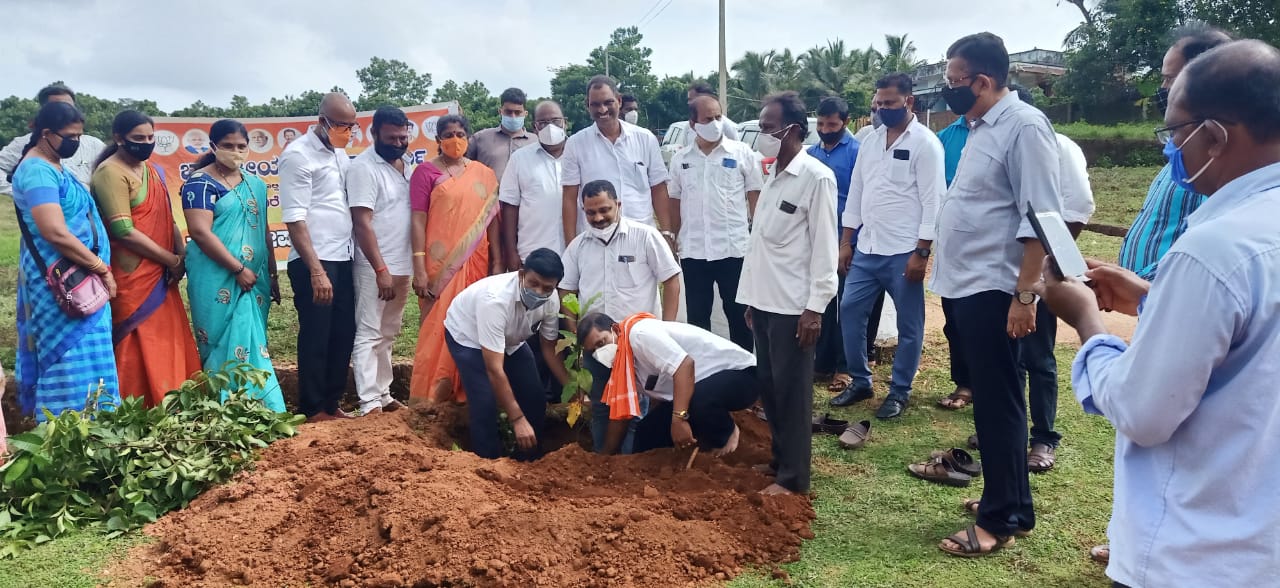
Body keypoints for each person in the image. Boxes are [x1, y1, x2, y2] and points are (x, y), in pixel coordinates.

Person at [1037, 40, 1280, 588]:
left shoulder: (1213, 250)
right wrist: (1151, 295)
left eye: (1172, 132)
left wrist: (1087, 321)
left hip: (1196, 552)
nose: (1170, 148)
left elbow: (1145, 413)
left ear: (1214, 138)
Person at [1088, 21, 1231, 567]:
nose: (1162, 93)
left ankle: (1146, 541)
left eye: (1171, 82)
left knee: (1161, 427)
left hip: (1180, 303)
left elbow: (1202, 254)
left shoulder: (1214, 169)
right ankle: (1130, 531)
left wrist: (1089, 326)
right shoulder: (1184, 152)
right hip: (1153, 297)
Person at [925, 32, 1061, 558]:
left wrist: (1025, 296)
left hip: (995, 287)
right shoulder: (982, 127)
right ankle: (1008, 500)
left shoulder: (1024, 127)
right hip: (966, 285)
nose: (949, 88)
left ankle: (1001, 517)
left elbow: (1039, 218)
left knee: (1001, 404)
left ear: (983, 81)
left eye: (955, 80)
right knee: (991, 403)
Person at [737, 91, 839, 496]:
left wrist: (814, 309)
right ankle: (780, 460)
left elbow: (825, 249)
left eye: (766, 128)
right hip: (763, 302)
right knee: (772, 387)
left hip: (794, 307)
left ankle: (794, 479)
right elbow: (760, 243)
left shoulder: (815, 178)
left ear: (792, 130)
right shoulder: (773, 175)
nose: (761, 135)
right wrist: (750, 299)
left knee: (794, 394)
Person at [836, 74, 944, 420]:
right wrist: (846, 242)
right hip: (867, 247)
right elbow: (856, 192)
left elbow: (933, 201)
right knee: (849, 310)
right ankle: (860, 380)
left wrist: (922, 252)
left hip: (904, 251)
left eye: (890, 104)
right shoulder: (870, 140)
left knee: (909, 325)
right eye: (878, 104)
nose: (882, 110)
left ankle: (899, 391)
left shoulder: (925, 144)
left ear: (909, 102)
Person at [11, 101, 120, 419]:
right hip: (62, 282)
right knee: (69, 356)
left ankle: (101, 431)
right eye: (70, 136)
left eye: (79, 135)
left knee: (93, 355)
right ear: (46, 133)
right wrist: (101, 268)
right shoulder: (36, 170)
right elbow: (55, 232)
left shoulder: (55, 166)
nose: (76, 142)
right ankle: (68, 435)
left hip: (83, 278)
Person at [559, 179, 682, 453]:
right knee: (602, 406)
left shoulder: (645, 236)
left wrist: (667, 329)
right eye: (590, 213)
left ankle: (630, 465)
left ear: (618, 205)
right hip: (596, 345)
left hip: (637, 343)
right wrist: (576, 338)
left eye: (604, 210)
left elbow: (672, 279)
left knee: (636, 407)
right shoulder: (579, 246)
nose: (598, 218)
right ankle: (604, 462)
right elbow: (566, 289)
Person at [90, 110, 201, 407]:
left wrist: (180, 255)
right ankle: (137, 410)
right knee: (138, 340)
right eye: (139, 139)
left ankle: (176, 404)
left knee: (169, 338)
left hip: (164, 273)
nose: (146, 143)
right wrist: (169, 259)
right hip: (133, 274)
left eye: (151, 138)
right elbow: (123, 231)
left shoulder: (154, 170)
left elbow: (168, 216)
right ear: (118, 138)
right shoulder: (110, 172)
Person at [181, 119, 285, 412]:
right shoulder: (199, 184)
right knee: (220, 340)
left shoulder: (255, 185)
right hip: (217, 277)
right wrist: (238, 270)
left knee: (253, 340)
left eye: (241, 146)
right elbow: (200, 233)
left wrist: (273, 274)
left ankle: (259, 408)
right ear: (213, 146)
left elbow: (264, 230)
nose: (236, 151)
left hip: (256, 278)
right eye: (228, 146)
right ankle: (223, 409)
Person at [409, 114, 502, 404]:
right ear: (437, 140)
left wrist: (497, 261)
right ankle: (432, 398)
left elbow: (493, 222)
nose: (454, 139)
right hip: (439, 270)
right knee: (440, 327)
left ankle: (469, 394)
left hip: (477, 262)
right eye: (447, 134)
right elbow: (417, 220)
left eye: (460, 133)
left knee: (475, 323)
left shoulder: (484, 174)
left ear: (469, 137)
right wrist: (420, 267)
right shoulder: (425, 173)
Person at [443, 249, 570, 460]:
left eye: (547, 288)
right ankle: (488, 465)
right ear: (521, 275)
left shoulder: (551, 299)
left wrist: (571, 388)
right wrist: (517, 418)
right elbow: (494, 369)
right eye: (533, 283)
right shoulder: (495, 300)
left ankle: (529, 460)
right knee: (484, 402)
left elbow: (549, 348)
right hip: (468, 336)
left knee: (535, 397)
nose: (539, 292)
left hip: (511, 339)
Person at [577, 312, 757, 456]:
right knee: (646, 434)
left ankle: (726, 433)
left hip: (742, 375)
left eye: (602, 342)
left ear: (615, 329)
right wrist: (605, 458)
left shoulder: (639, 335)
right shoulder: (622, 366)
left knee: (697, 402)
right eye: (594, 351)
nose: (600, 352)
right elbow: (622, 416)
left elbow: (685, 366)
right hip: (698, 388)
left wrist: (678, 419)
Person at [279, 92, 357, 421]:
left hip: (344, 256)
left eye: (352, 126)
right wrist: (315, 270)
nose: (347, 132)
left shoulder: (340, 154)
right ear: (322, 121)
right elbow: (295, 218)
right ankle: (311, 407)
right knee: (317, 333)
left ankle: (331, 400)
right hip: (316, 260)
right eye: (341, 125)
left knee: (343, 331)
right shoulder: (298, 156)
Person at [668, 95, 760, 351]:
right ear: (693, 123)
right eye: (708, 119)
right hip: (694, 251)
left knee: (739, 315)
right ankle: (705, 373)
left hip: (734, 249)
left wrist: (760, 239)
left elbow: (755, 196)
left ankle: (745, 373)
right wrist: (672, 238)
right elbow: (674, 200)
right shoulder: (681, 159)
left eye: (718, 117)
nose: (715, 123)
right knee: (698, 318)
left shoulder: (742, 153)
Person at [347, 106, 414, 416]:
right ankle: (368, 402)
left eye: (404, 137)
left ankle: (384, 395)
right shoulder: (364, 168)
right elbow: (362, 222)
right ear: (374, 134)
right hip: (376, 267)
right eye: (392, 137)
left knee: (388, 332)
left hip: (403, 265)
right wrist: (380, 270)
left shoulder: (407, 165)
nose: (399, 142)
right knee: (369, 331)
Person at [561, 75, 674, 252]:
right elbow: (569, 198)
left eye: (608, 102)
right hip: (596, 239)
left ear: (619, 101)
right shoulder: (576, 144)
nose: (602, 109)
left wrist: (667, 233)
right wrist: (571, 247)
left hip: (641, 236)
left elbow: (658, 188)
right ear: (587, 105)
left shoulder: (645, 139)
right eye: (595, 104)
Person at [807, 96, 873, 397]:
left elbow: (862, 200)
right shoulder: (810, 154)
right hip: (818, 242)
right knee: (821, 303)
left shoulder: (859, 153)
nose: (825, 129)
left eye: (831, 124)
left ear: (845, 123)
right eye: (820, 124)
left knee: (848, 307)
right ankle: (821, 362)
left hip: (849, 241)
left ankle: (845, 367)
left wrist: (848, 241)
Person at [500, 100, 572, 269]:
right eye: (543, 123)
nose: (550, 127)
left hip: (576, 253)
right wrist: (511, 252)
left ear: (565, 123)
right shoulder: (520, 159)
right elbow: (510, 207)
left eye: (555, 121)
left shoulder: (580, 154)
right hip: (533, 254)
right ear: (534, 127)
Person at [0, 84, 106, 193]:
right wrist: (18, 193)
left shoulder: (94, 145)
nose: (66, 112)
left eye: (69, 107)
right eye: (59, 107)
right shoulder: (23, 146)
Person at [466, 87, 536, 184]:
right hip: (489, 197)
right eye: (508, 112)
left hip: (525, 198)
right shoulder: (480, 138)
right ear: (500, 111)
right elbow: (460, 164)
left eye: (517, 112)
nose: (513, 116)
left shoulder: (536, 142)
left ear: (525, 113)